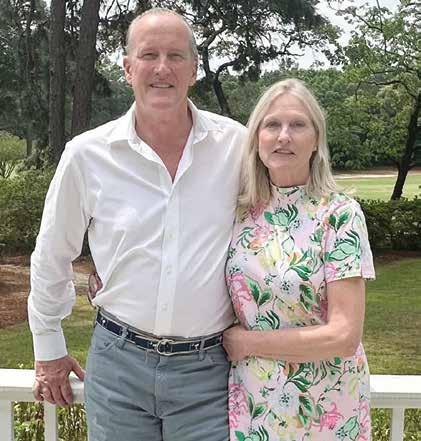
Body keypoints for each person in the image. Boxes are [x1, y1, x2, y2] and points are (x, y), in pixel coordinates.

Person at [28, 8, 245, 441]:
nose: (162, 68)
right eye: (149, 55)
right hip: (118, 367)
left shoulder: (236, 147)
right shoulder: (87, 155)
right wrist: (48, 347)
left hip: (210, 370)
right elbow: (53, 254)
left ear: (194, 70)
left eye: (176, 56)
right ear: (128, 68)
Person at [222, 79, 375, 441]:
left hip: (327, 406)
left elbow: (344, 335)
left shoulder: (340, 215)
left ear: (316, 140)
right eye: (272, 125)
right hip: (256, 404)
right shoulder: (240, 213)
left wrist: (248, 344)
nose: (283, 136)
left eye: (298, 125)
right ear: (256, 138)